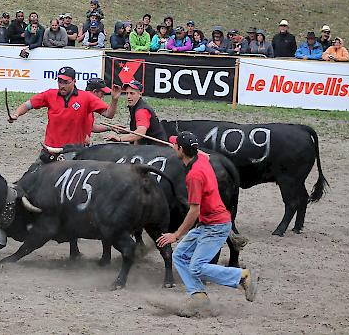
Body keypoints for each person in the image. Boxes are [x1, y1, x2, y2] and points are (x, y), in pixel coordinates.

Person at [156, 131, 258, 304]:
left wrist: (176, 235)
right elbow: (206, 155)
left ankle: (241, 276)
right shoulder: (202, 159)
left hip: (215, 226)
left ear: (181, 150)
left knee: (196, 267)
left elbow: (194, 211)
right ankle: (198, 295)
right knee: (179, 256)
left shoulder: (194, 176)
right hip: (210, 223)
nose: (172, 146)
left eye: (175, 145)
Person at [8, 66, 119, 149]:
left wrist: (114, 99)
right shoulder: (49, 95)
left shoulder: (86, 97)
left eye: (65, 82)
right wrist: (16, 114)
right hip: (51, 149)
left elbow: (109, 114)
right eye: (60, 82)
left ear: (74, 82)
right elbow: (28, 104)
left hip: (74, 150)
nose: (62, 85)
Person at [106, 79, 167, 145]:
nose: (128, 96)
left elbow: (140, 133)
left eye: (132, 93)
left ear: (140, 94)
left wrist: (120, 138)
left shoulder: (141, 111)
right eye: (127, 93)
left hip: (155, 148)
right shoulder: (137, 106)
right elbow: (142, 130)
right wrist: (126, 130)